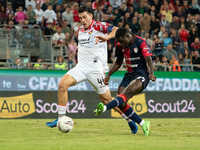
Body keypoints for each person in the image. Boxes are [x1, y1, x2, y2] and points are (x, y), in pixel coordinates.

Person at [46, 6, 138, 134]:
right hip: (81, 67)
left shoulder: (99, 26)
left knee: (107, 100)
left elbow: (117, 30)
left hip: (96, 70)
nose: (82, 20)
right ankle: (61, 118)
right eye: (80, 17)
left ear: (91, 16)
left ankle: (129, 120)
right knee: (62, 85)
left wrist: (106, 37)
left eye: (85, 17)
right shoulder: (79, 29)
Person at [93, 28, 156, 136]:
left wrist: (151, 73)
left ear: (128, 36)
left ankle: (105, 108)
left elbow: (149, 60)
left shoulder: (141, 42)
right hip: (129, 75)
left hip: (141, 74)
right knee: (121, 103)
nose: (121, 44)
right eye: (119, 42)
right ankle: (143, 123)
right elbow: (118, 62)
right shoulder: (119, 46)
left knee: (128, 92)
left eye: (122, 41)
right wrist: (108, 75)